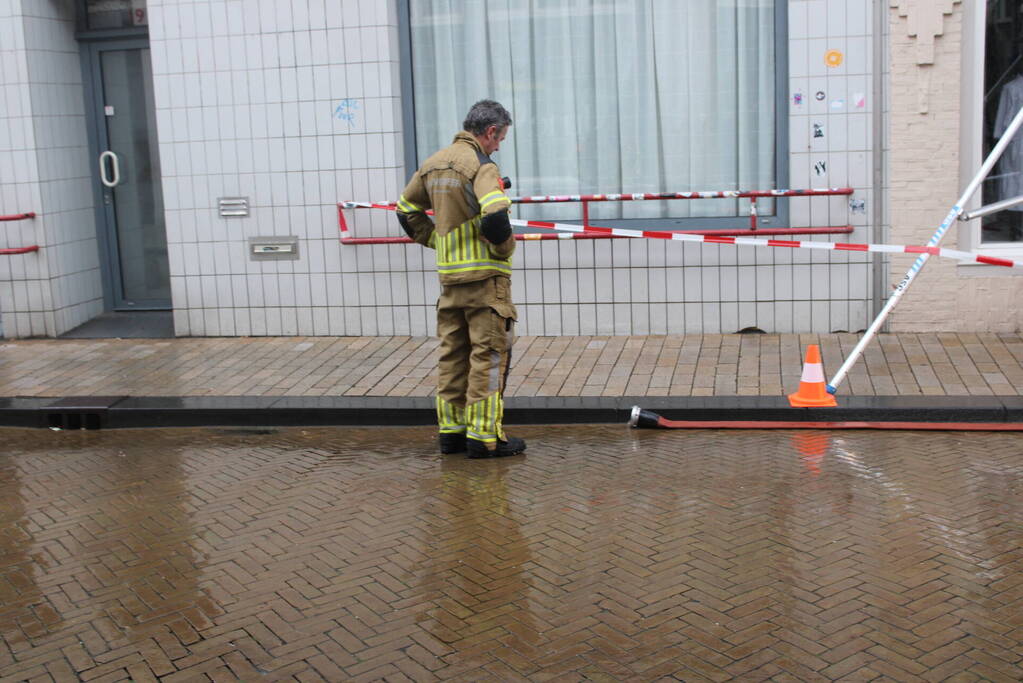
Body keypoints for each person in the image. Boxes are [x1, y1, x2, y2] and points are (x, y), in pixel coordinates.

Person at [396, 100, 527, 459]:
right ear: (489, 132)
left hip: (450, 282)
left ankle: (451, 435)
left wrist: (438, 240)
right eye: (500, 138)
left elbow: (405, 211)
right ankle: (485, 439)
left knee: (452, 358)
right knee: (487, 357)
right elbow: (497, 215)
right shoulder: (482, 166)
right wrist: (503, 249)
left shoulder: (433, 163)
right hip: (486, 282)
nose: (499, 145)